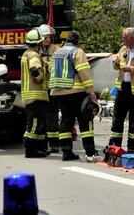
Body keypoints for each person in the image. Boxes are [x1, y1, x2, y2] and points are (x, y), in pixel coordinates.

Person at [48, 30, 97, 161]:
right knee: (84, 120)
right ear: (77, 41)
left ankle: (66, 151)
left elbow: (50, 70)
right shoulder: (77, 52)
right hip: (75, 91)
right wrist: (90, 90)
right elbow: (84, 71)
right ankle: (90, 151)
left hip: (58, 92)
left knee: (66, 120)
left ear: (67, 40)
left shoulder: (56, 52)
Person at [21, 29, 49, 158]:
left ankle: (39, 148)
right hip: (35, 94)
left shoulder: (27, 53)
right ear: (38, 43)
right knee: (34, 124)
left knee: (39, 123)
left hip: (32, 95)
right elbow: (34, 69)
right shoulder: (33, 55)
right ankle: (30, 150)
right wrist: (41, 77)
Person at [37, 24, 60, 153]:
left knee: (52, 116)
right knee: (41, 116)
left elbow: (56, 67)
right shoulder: (35, 51)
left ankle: (54, 143)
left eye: (49, 37)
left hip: (51, 88)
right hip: (39, 89)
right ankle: (42, 144)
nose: (47, 40)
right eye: (45, 37)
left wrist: (45, 63)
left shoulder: (55, 50)